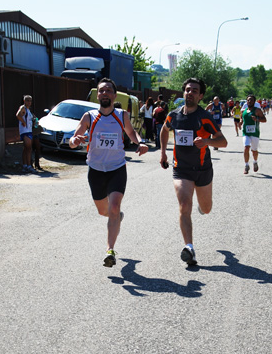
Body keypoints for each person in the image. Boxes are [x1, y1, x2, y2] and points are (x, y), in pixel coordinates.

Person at [69, 78, 148, 267]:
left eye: (108, 90)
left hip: (117, 168)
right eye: (101, 91)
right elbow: (73, 138)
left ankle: (110, 250)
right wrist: (75, 141)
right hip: (96, 170)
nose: (104, 93)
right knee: (103, 211)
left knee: (113, 207)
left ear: (114, 95)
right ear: (98, 95)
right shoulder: (88, 116)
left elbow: (131, 133)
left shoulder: (122, 115)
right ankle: (116, 217)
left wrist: (141, 142)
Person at [160, 78, 227, 266]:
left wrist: (206, 142)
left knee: (206, 209)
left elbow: (223, 141)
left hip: (203, 169)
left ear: (201, 96)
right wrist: (164, 152)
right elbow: (164, 130)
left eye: (195, 91)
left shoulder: (205, 117)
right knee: (184, 205)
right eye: (188, 90)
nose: (190, 93)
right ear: (184, 92)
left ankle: (202, 207)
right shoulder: (173, 116)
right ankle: (189, 248)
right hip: (181, 169)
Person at [241, 94, 266, 174]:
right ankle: (246, 165)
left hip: (255, 133)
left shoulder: (257, 110)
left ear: (254, 102)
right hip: (246, 133)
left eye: (251, 100)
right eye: (248, 100)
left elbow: (264, 120)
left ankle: (255, 162)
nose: (249, 101)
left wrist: (257, 119)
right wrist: (241, 122)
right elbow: (242, 118)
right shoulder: (244, 111)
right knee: (246, 147)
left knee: (254, 150)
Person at [16, 95, 36, 173]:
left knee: (26, 149)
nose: (29, 102)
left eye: (30, 101)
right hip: (25, 131)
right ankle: (28, 166)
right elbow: (18, 115)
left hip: (29, 130)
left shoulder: (28, 110)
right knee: (29, 148)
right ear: (24, 101)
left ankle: (25, 165)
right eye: (27, 100)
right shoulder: (23, 108)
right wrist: (23, 122)